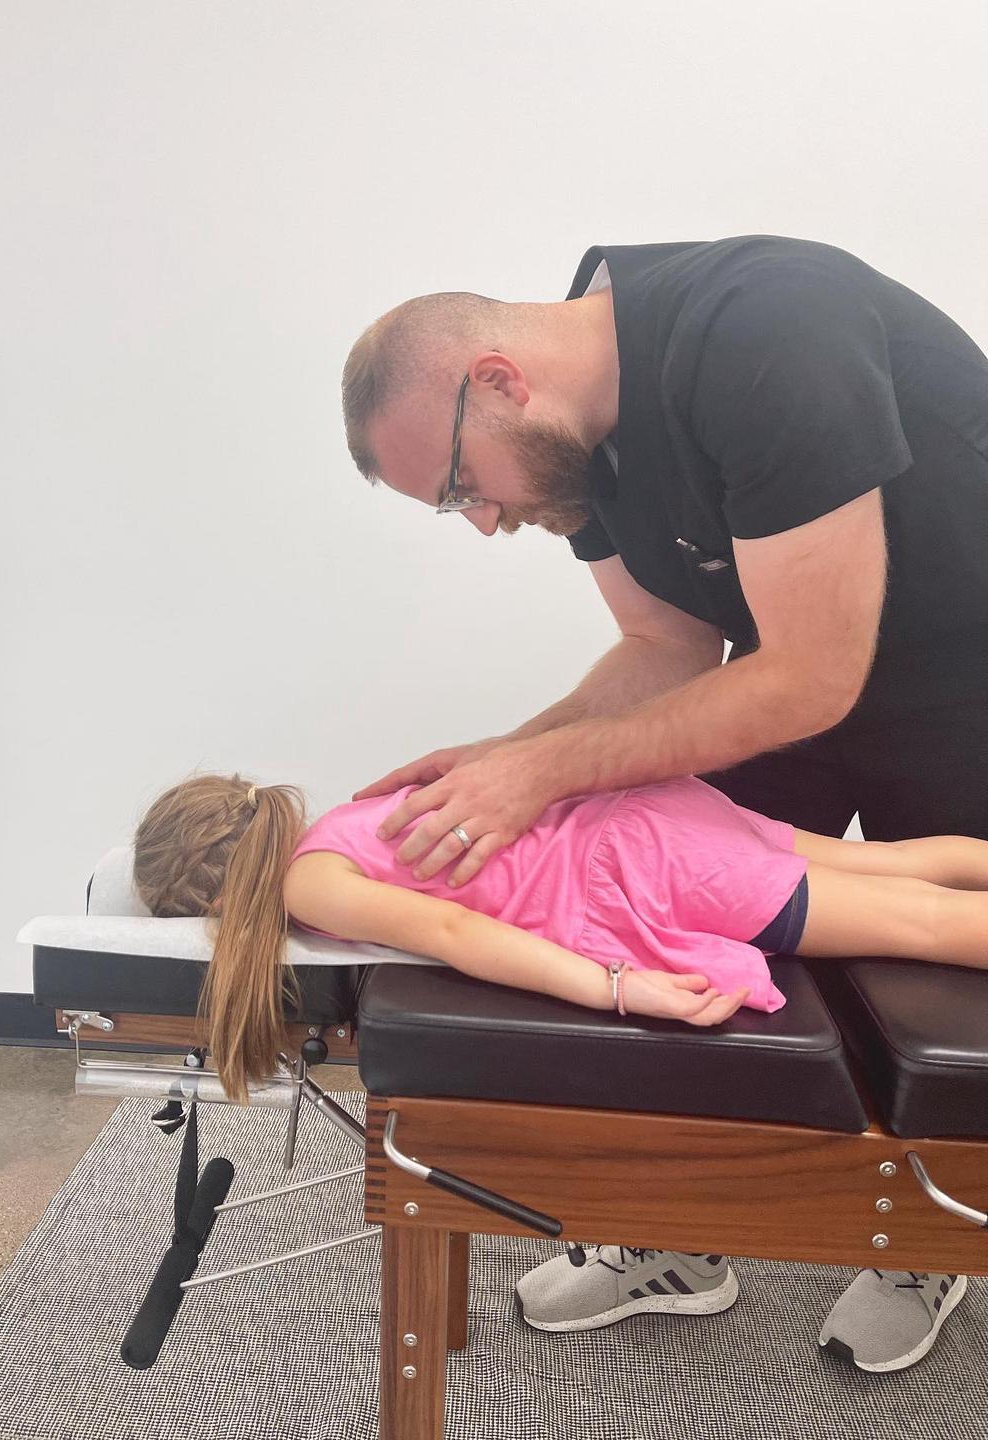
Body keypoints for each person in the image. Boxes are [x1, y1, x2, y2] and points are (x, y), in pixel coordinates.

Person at [338, 234, 988, 1370]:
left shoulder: (767, 333)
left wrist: (546, 773)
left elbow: (815, 675)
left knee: (941, 963)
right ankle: (687, 1234)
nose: (483, 521)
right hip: (793, 666)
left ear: (499, 381)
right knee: (679, 907)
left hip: (960, 663)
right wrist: (503, 759)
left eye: (459, 487)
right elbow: (665, 646)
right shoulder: (579, 441)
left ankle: (927, 1235)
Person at [132, 768, 983, 1369]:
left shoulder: (309, 881)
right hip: (653, 817)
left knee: (925, 926)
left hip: (649, 872)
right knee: (898, 865)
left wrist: (616, 986)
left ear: (216, 898)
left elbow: (454, 934)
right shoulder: (343, 821)